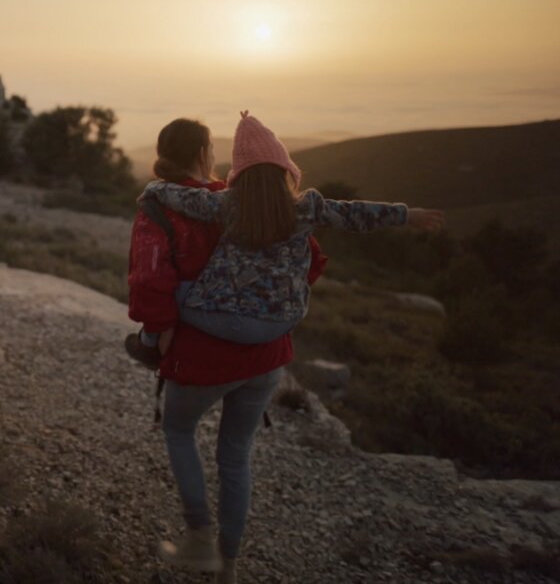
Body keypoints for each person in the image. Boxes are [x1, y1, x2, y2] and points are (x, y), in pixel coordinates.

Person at [127, 118, 328, 583]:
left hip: (202, 355)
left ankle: (199, 539)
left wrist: (160, 331)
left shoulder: (160, 206)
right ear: (203, 154)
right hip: (266, 356)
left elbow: (149, 279)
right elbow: (311, 259)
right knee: (236, 454)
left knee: (179, 431)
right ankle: (229, 566)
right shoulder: (254, 201)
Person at [139, 111, 445, 345]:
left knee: (174, 291)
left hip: (230, 319)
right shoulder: (306, 206)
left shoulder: (227, 203)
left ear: (240, 173)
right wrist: (406, 215)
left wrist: (155, 189)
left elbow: (187, 198)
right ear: (284, 170)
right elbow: (354, 214)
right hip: (283, 321)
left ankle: (149, 345)